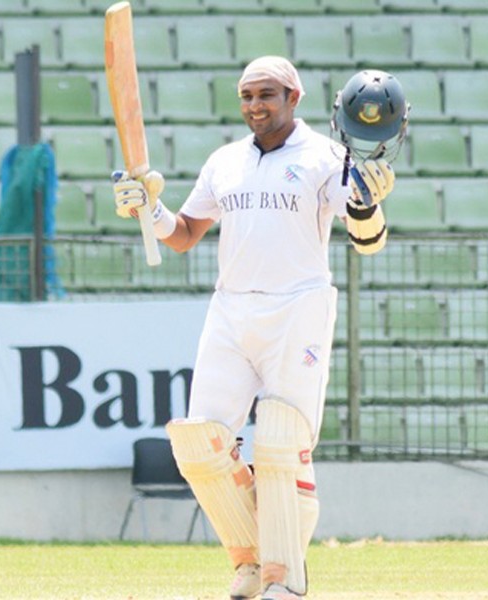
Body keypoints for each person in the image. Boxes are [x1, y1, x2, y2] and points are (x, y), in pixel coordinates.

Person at [112, 57, 408, 600]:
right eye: (247, 96)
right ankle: (250, 561)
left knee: (277, 442)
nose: (255, 105)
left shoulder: (326, 158)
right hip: (232, 309)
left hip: (297, 308)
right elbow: (183, 235)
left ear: (294, 98)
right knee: (198, 443)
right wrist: (149, 209)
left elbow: (368, 240)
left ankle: (285, 578)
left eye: (267, 95)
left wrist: (368, 207)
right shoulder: (225, 161)